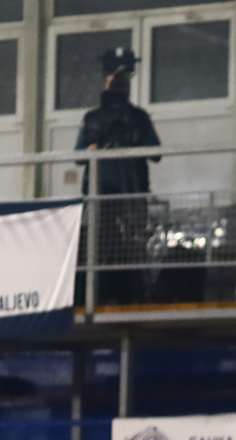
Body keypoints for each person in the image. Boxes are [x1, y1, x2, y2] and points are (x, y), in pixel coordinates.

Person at [75, 47, 161, 304]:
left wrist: (132, 144)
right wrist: (92, 149)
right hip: (102, 195)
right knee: (99, 248)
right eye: (115, 75)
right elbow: (78, 155)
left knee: (131, 247)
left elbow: (156, 152)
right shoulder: (93, 118)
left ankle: (130, 297)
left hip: (130, 194)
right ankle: (98, 297)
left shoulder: (138, 118)